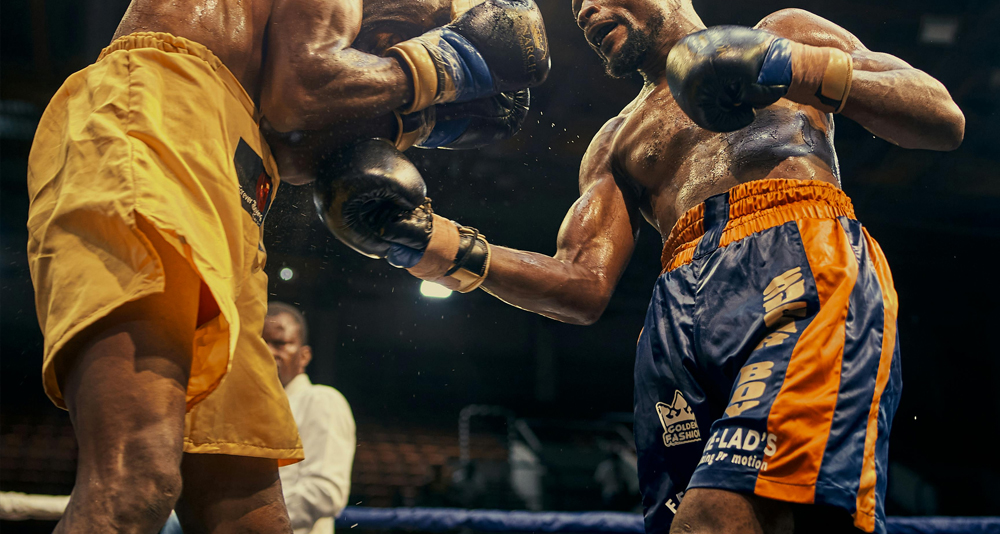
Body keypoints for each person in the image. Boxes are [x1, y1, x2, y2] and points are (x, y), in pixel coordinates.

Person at [314, 0, 965, 532]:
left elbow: (942, 116)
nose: (585, 10)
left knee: (715, 517)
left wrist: (791, 66)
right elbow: (582, 285)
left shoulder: (782, 31)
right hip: (678, 312)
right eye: (577, 4)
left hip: (795, 261)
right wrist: (435, 245)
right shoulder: (615, 142)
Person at [25, 0, 549, 529]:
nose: (388, 51)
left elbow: (296, 152)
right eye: (423, 32)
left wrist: (411, 114)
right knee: (135, 484)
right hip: (160, 114)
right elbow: (301, 93)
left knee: (249, 514)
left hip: (237, 173)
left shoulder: (293, 49)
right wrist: (448, 64)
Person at [265, 302, 356, 534]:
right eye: (259, 343)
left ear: (304, 355)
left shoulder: (321, 400)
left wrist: (249, 519)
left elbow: (324, 492)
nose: (267, 352)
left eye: (279, 343)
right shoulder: (247, 409)